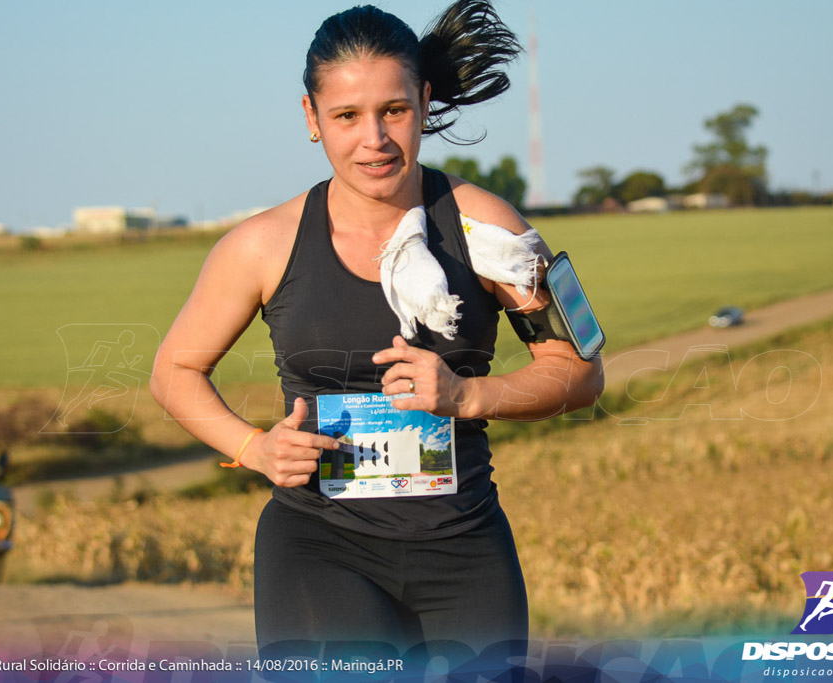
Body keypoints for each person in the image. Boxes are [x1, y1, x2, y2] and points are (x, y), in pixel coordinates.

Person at [150, 0, 603, 661]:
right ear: (311, 118)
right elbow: (173, 372)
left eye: (393, 110)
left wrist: (467, 396)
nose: (375, 139)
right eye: (346, 116)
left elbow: (582, 373)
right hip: (318, 545)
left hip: (466, 549)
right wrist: (252, 447)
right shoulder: (261, 245)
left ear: (423, 101)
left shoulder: (488, 227)